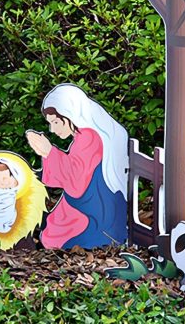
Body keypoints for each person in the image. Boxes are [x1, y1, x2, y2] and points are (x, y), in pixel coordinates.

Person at [26, 83, 128, 249]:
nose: (52, 129)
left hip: (94, 210)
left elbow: (76, 182)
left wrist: (49, 152)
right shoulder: (85, 136)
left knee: (56, 234)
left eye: (56, 122)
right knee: (53, 227)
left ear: (69, 115)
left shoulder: (89, 138)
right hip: (92, 203)